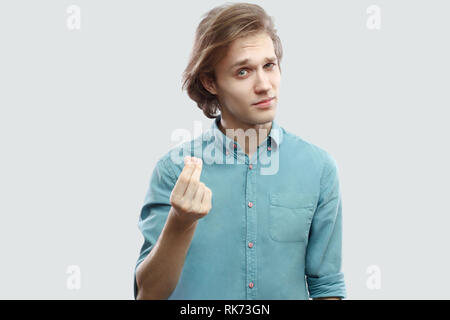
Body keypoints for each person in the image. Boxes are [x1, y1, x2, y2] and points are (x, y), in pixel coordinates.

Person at [134, 2, 346, 300]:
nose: (264, 85)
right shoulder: (173, 170)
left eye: (269, 66)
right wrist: (180, 223)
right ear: (211, 82)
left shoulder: (319, 168)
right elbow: (148, 294)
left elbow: (327, 286)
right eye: (243, 71)